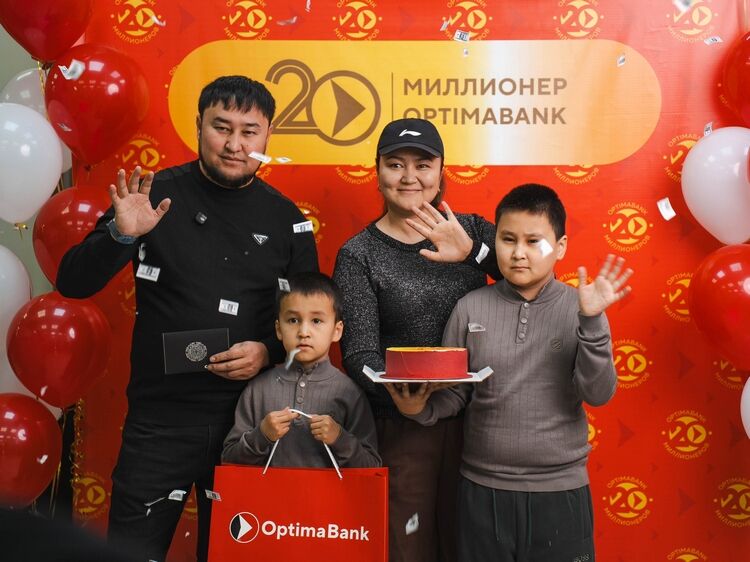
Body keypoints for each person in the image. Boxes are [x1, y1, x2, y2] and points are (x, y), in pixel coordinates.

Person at [56, 75, 318, 562]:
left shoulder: (288, 220)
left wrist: (268, 350)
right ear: (198, 126)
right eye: (221, 127)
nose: (235, 144)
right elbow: (72, 282)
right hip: (159, 422)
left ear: (268, 135)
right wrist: (121, 234)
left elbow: (312, 325)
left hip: (252, 424)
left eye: (249, 131)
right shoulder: (152, 196)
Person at [387, 183, 634, 562]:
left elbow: (598, 393)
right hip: (481, 489)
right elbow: (455, 393)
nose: (519, 253)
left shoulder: (581, 307)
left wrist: (592, 320)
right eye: (508, 239)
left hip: (559, 492)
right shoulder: (469, 308)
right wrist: (419, 409)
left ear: (560, 247)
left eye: (534, 242)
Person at [332, 118, 501, 562]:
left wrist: (472, 253)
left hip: (481, 422)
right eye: (395, 164)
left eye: (423, 164)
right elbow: (359, 353)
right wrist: (405, 393)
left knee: (476, 543)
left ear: (442, 172)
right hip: (402, 426)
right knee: (409, 547)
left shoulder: (472, 230)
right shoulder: (358, 254)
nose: (409, 177)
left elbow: (533, 277)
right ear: (377, 172)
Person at [222, 272, 381, 469]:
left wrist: (339, 438)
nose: (304, 332)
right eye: (293, 320)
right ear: (278, 329)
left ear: (337, 331)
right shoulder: (257, 390)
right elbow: (229, 459)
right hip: (268, 490)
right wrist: (262, 435)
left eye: (316, 321)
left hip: (330, 491)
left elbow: (372, 467)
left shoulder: (350, 393)